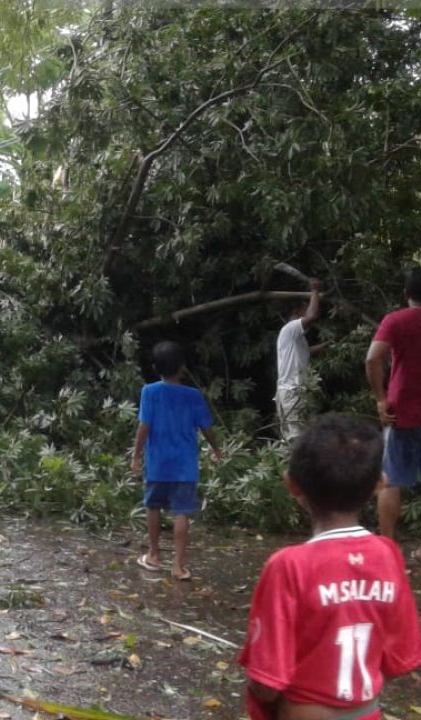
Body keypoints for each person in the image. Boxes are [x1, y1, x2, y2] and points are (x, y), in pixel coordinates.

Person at [240, 414, 421, 720]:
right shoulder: (388, 555)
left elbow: (265, 682)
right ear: (379, 484)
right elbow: (399, 657)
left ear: (291, 485)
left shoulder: (288, 566)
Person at [130, 341, 221, 581]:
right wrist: (216, 449)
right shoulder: (193, 396)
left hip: (158, 464)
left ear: (155, 367)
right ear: (182, 367)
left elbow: (144, 426)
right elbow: (207, 428)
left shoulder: (149, 392)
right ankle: (178, 566)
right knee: (181, 513)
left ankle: (154, 555)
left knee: (153, 507)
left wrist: (136, 456)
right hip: (185, 468)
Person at [365, 268, 421, 545]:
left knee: (391, 480)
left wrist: (380, 397)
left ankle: (388, 546)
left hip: (402, 411)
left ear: (406, 293)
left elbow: (372, 359)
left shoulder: (395, 321)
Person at [275, 279, 324, 442]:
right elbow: (312, 316)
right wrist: (315, 291)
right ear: (297, 312)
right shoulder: (290, 329)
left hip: (294, 392)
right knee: (297, 441)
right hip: (292, 392)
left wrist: (330, 345)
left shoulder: (296, 339)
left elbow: (306, 352)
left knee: (301, 439)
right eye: (305, 308)